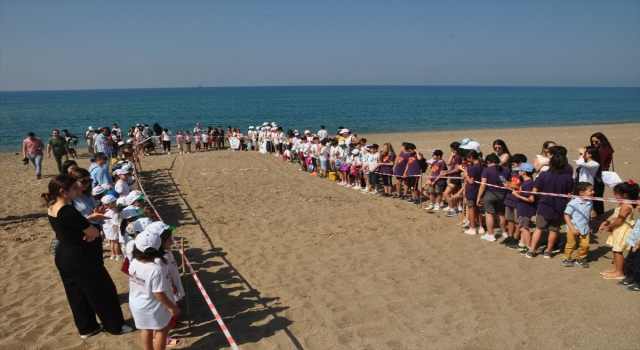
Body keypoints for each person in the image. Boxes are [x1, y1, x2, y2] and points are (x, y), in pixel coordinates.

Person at [43, 175, 131, 338]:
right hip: (79, 255)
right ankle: (115, 326)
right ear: (63, 191)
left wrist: (88, 224)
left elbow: (67, 228)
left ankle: (87, 328)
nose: (78, 190)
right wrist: (90, 231)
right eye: (74, 188)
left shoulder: (52, 206)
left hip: (64, 253)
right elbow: (95, 232)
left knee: (76, 293)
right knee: (103, 290)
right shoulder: (68, 210)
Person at [129, 225, 181, 350]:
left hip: (137, 303)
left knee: (146, 329)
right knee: (162, 331)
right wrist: (172, 307)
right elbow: (158, 293)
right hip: (152, 306)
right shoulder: (156, 269)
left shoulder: (133, 262)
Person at [528, 153, 574, 258]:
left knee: (539, 228)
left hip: (544, 205)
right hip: (559, 206)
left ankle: (532, 250)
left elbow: (535, 190)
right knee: (554, 229)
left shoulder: (544, 175)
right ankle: (548, 251)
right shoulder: (568, 178)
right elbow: (569, 195)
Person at [599, 181, 639, 279]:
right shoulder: (622, 204)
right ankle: (615, 268)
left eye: (616, 194)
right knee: (615, 249)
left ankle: (619, 272)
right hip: (618, 230)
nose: (614, 196)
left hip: (623, 231)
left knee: (618, 251)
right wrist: (606, 222)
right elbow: (615, 215)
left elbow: (619, 221)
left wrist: (610, 226)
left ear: (624, 195)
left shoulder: (626, 206)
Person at [476, 154, 511, 241]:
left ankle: (490, 234)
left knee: (489, 214)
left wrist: (479, 197)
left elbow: (483, 185)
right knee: (500, 213)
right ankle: (504, 232)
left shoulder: (486, 170)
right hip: (502, 194)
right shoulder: (506, 170)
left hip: (489, 194)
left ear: (488, 162)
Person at [562, 182, 594, 268]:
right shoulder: (573, 203)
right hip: (573, 228)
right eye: (590, 190)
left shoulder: (590, 202)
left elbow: (588, 215)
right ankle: (567, 258)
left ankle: (581, 258)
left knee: (586, 245)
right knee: (571, 245)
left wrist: (589, 225)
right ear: (581, 193)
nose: (593, 192)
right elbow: (566, 215)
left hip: (585, 228)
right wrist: (572, 228)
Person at [501, 154, 528, 246]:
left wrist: (514, 186)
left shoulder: (524, 173)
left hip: (517, 200)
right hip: (509, 198)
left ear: (520, 163)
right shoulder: (514, 173)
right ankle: (510, 236)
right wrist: (508, 184)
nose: (512, 166)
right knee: (509, 219)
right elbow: (511, 182)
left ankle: (516, 238)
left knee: (517, 221)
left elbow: (524, 187)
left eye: (513, 164)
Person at [509, 162, 536, 252]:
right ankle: (522, 244)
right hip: (523, 207)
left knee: (523, 228)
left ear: (524, 172)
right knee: (523, 227)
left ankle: (528, 247)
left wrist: (517, 195)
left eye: (520, 170)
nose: (518, 172)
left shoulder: (527, 183)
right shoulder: (527, 182)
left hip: (525, 208)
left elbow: (531, 199)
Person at [460, 150, 485, 235]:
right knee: (477, 209)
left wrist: (465, 175)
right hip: (478, 189)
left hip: (472, 189)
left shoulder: (473, 168)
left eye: (468, 158)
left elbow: (471, 181)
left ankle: (472, 228)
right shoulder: (481, 166)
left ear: (471, 158)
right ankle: (481, 227)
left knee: (471, 209)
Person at [619, 207, 640, 291]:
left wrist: (638, 244)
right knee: (630, 261)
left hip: (638, 245)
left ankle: (638, 283)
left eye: (639, 204)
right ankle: (630, 277)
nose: (638, 206)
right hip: (634, 243)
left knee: (638, 266)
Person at [101, 194, 124, 260]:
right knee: (116, 242)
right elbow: (115, 223)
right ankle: (118, 254)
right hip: (112, 229)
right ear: (111, 203)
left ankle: (113, 254)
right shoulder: (112, 212)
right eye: (115, 201)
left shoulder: (105, 210)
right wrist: (117, 231)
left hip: (107, 229)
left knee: (112, 242)